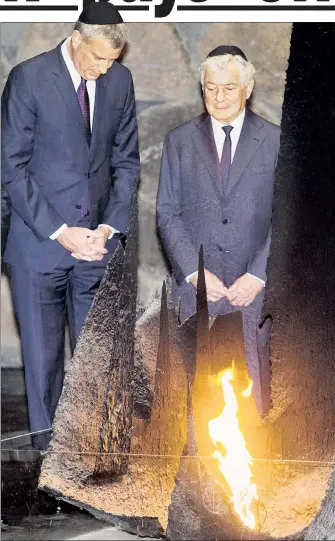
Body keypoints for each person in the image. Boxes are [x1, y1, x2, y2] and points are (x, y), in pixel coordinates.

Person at [1, 1, 140, 449]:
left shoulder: (120, 80)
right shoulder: (29, 78)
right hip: (39, 245)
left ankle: (91, 456)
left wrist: (108, 227)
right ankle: (49, 460)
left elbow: (127, 162)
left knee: (95, 357)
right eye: (97, 57)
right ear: (76, 39)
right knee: (43, 364)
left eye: (111, 60)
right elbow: (11, 169)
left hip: (96, 248)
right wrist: (61, 231)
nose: (104, 68)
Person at [156, 46, 280, 414]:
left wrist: (258, 275)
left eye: (229, 88)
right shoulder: (179, 140)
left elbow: (286, 216)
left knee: (254, 392)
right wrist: (195, 273)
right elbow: (166, 213)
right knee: (196, 395)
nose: (219, 97)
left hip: (254, 291)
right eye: (211, 87)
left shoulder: (276, 141)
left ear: (248, 88)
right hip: (199, 290)